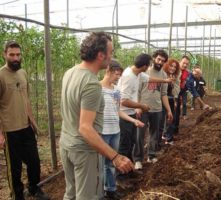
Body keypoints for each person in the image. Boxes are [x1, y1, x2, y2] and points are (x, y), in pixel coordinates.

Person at [59, 32, 133, 200]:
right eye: (111, 52)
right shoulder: (92, 84)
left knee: (70, 193)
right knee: (87, 196)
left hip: (66, 144)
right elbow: (85, 128)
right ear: (101, 55)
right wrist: (115, 156)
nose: (111, 56)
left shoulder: (70, 72)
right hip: (83, 151)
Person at [0, 41, 49, 200]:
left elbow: (26, 99)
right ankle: (18, 195)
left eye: (18, 55)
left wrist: (33, 122)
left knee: (34, 162)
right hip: (9, 130)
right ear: (4, 55)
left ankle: (34, 188)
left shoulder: (23, 73)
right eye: (12, 54)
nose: (15, 58)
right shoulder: (1, 75)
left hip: (25, 127)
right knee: (15, 169)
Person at [117, 53, 172, 179]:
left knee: (130, 143)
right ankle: (121, 175)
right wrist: (141, 106)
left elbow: (150, 79)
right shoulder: (128, 77)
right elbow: (123, 100)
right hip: (124, 115)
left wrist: (165, 80)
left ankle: (128, 170)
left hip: (131, 113)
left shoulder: (138, 74)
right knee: (126, 144)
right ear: (145, 66)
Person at [100, 60, 144, 200]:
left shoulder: (116, 90)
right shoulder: (97, 88)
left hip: (115, 131)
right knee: (100, 165)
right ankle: (99, 192)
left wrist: (133, 120)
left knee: (112, 163)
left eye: (119, 74)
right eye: (116, 74)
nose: (118, 77)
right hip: (102, 133)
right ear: (108, 70)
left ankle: (111, 190)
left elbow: (118, 111)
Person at [133, 50, 173, 170]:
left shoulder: (164, 75)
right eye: (158, 59)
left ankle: (151, 155)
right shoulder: (144, 72)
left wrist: (169, 110)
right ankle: (138, 159)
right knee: (139, 135)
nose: (160, 62)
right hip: (143, 108)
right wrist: (137, 106)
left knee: (154, 134)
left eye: (163, 61)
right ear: (154, 58)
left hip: (157, 109)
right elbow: (137, 91)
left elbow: (164, 94)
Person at [161, 58, 181, 145]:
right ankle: (163, 136)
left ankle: (168, 138)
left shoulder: (175, 77)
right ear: (166, 65)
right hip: (161, 100)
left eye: (174, 67)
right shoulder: (162, 74)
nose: (173, 68)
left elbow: (176, 90)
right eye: (171, 66)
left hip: (171, 99)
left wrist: (175, 100)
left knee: (170, 119)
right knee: (161, 120)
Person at [174, 55, 190, 134]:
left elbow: (184, 83)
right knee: (170, 112)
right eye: (183, 63)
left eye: (187, 64)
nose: (185, 65)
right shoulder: (174, 69)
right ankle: (166, 133)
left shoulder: (187, 72)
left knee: (177, 112)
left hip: (180, 92)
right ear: (180, 61)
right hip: (172, 93)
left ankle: (175, 130)